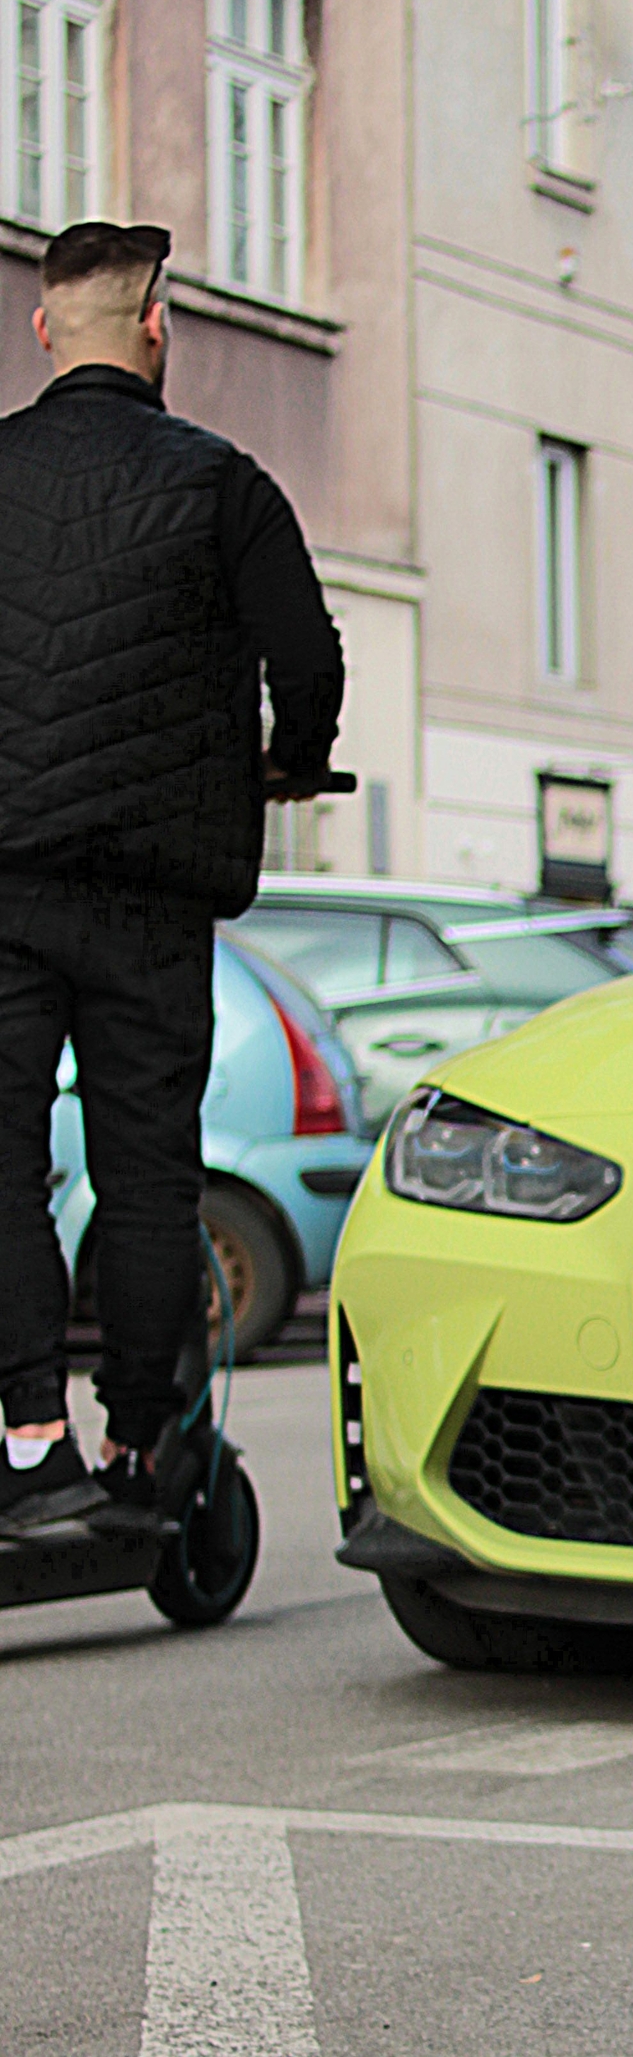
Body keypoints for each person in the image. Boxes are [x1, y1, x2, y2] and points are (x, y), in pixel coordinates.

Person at [0, 220, 343, 1536]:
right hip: (151, 893)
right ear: (159, 330)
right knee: (148, 1177)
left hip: (4, 884)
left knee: (2, 1165)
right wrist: (290, 762)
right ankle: (144, 1449)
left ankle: (29, 1438)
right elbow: (306, 658)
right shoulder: (223, 484)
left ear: (45, 331)